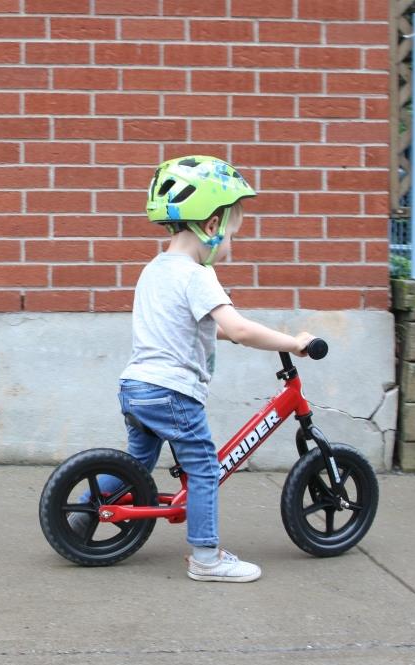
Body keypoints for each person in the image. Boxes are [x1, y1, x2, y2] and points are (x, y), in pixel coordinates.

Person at [73, 155, 315, 583]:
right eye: (232, 234)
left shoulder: (154, 270)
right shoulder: (198, 275)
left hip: (137, 387)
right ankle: (207, 557)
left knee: (139, 461)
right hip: (172, 392)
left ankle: (81, 515)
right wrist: (293, 342)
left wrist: (229, 334)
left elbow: (191, 328)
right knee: (205, 466)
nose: (232, 246)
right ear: (211, 224)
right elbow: (237, 329)